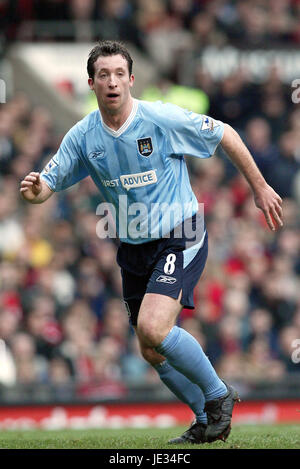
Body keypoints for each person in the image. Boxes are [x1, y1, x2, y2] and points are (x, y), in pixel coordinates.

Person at [20, 40, 283, 444]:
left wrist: (260, 187)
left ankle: (219, 394)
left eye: (119, 74)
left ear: (131, 79)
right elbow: (46, 186)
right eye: (103, 75)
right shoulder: (82, 136)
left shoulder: (160, 119)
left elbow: (225, 133)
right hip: (133, 247)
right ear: (91, 83)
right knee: (151, 349)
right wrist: (35, 188)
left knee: (154, 327)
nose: (112, 82)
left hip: (181, 234)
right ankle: (206, 421)